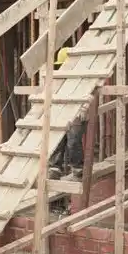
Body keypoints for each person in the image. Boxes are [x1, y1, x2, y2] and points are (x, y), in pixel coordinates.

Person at [48, 47, 86, 182]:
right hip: (61, 111)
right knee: (58, 140)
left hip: (76, 112)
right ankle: (55, 168)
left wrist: (83, 108)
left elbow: (87, 92)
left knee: (73, 141)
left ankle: (77, 168)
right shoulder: (59, 78)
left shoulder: (81, 77)